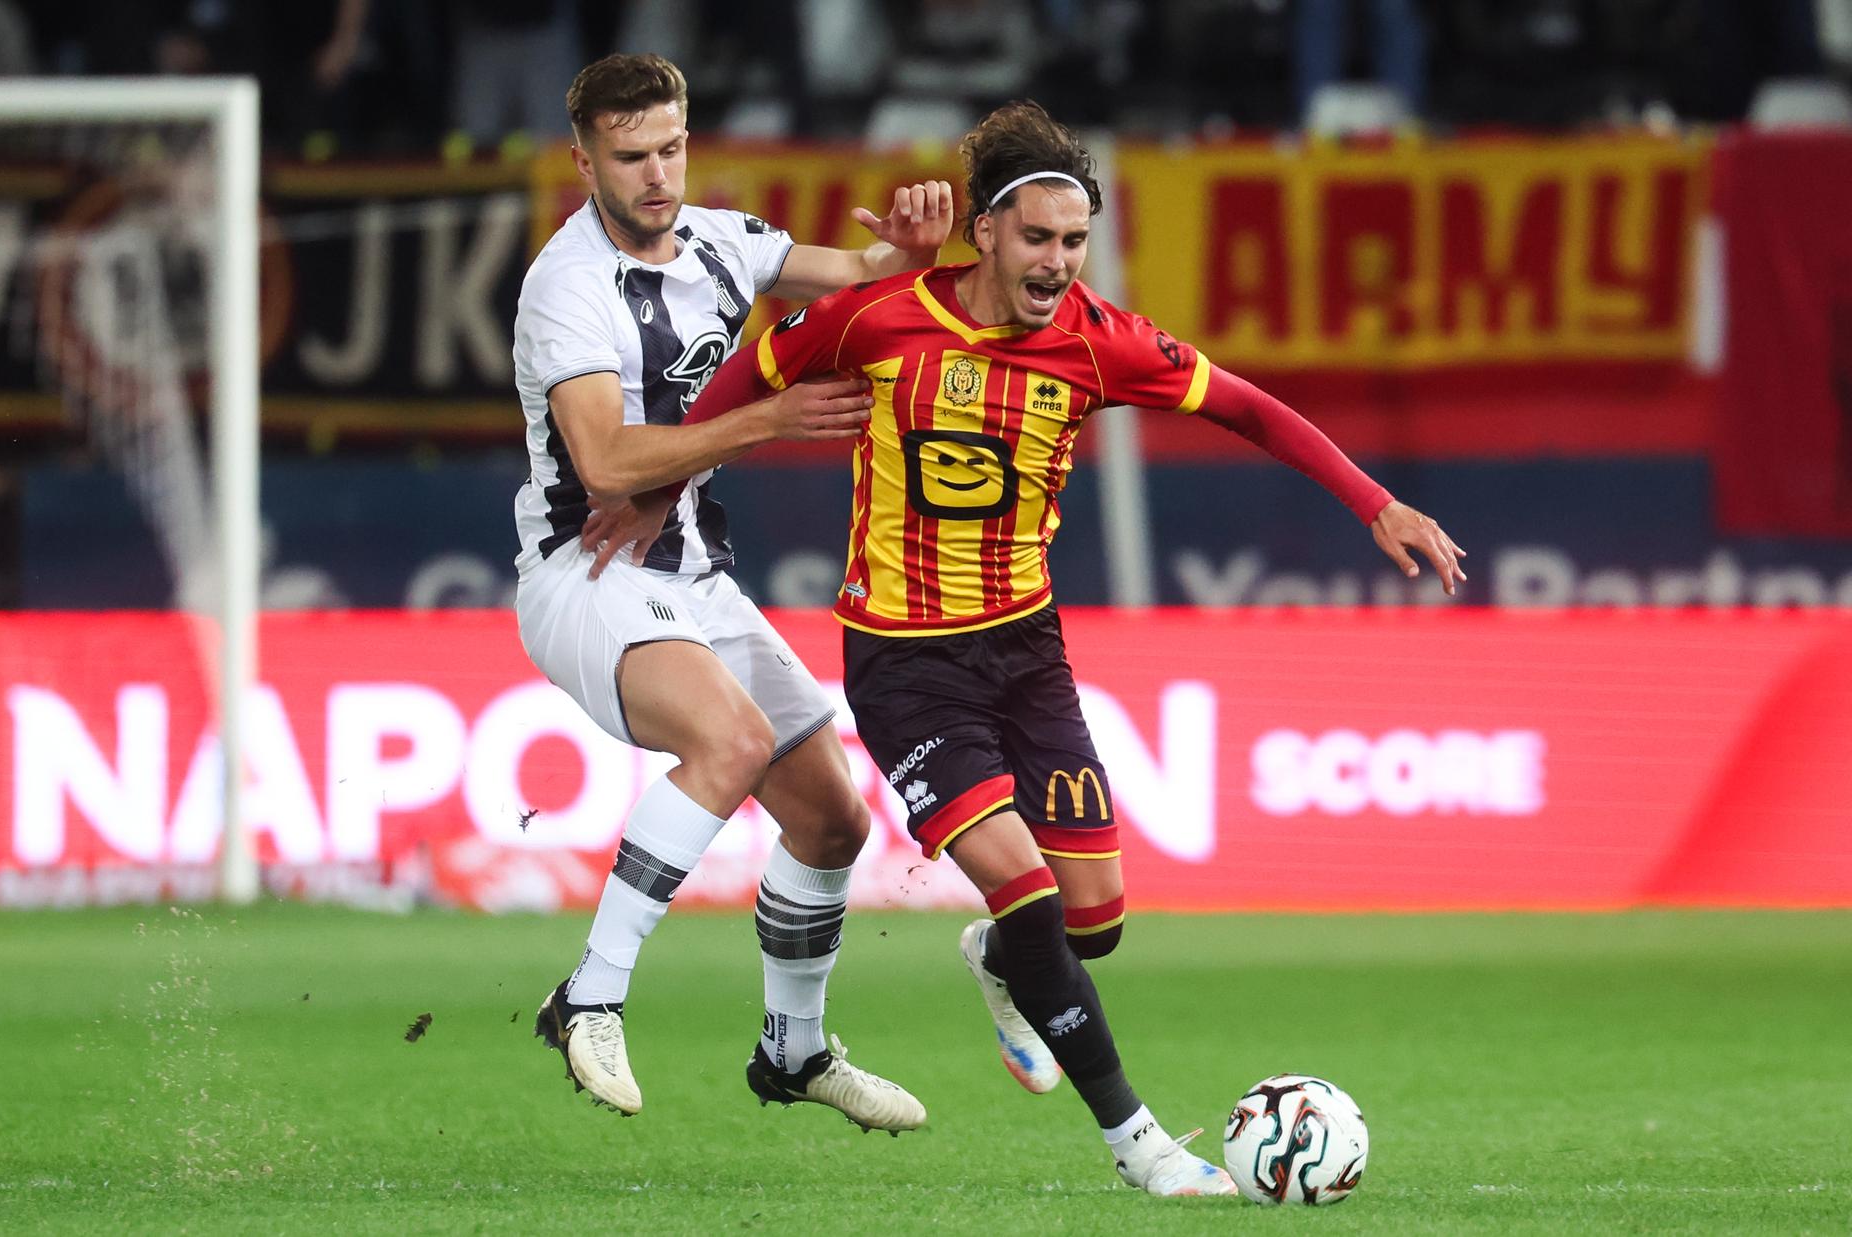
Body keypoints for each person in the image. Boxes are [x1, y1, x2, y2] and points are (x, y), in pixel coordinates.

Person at [585, 100, 1466, 1196]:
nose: (1057, 262)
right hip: (906, 658)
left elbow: (1247, 407)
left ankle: (1001, 965)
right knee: (1025, 888)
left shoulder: (1100, 340)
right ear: (987, 233)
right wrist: (659, 486)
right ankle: (1141, 1146)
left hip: (1027, 652)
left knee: (1091, 919)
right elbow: (750, 382)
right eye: (1038, 238)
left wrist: (1373, 500)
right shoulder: (879, 316)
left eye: (1074, 240)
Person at [514, 51, 954, 1133]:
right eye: (630, 157)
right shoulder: (565, 287)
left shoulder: (720, 238)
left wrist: (906, 253)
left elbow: (854, 271)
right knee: (729, 740)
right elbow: (608, 463)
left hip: (693, 574)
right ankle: (590, 993)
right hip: (590, 570)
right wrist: (766, 419)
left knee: (831, 817)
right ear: (584, 161)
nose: (656, 174)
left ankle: (792, 1050)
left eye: (670, 147)